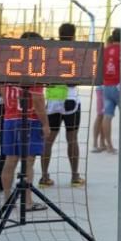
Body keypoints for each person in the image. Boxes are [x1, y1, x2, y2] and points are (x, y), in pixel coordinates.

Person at [0, 32, 51, 211]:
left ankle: (7, 198)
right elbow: (37, 100)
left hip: (9, 118)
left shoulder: (9, 66)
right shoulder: (33, 68)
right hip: (28, 119)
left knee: (10, 160)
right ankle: (27, 202)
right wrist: (45, 123)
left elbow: (0, 90)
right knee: (28, 161)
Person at [40, 23, 85, 187]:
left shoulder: (51, 51)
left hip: (53, 96)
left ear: (59, 34)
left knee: (49, 139)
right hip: (70, 97)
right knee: (72, 139)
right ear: (73, 35)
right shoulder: (76, 52)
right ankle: (74, 176)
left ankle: (44, 177)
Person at [98, 28, 121, 154]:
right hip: (119, 86)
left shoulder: (105, 51)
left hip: (106, 86)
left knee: (107, 115)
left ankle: (109, 146)